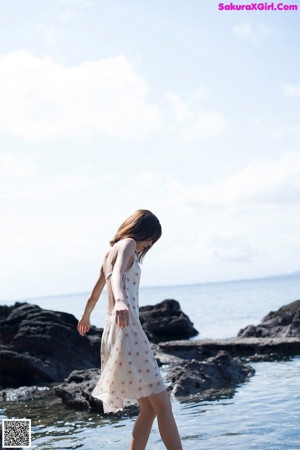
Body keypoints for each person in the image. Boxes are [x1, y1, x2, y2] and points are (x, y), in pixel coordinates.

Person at [77, 209, 183, 450]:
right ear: (143, 231)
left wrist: (85, 316)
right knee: (163, 405)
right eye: (151, 239)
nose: (149, 245)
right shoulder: (128, 243)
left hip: (113, 329)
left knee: (148, 408)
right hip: (127, 329)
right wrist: (122, 301)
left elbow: (95, 292)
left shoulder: (108, 253)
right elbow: (114, 277)